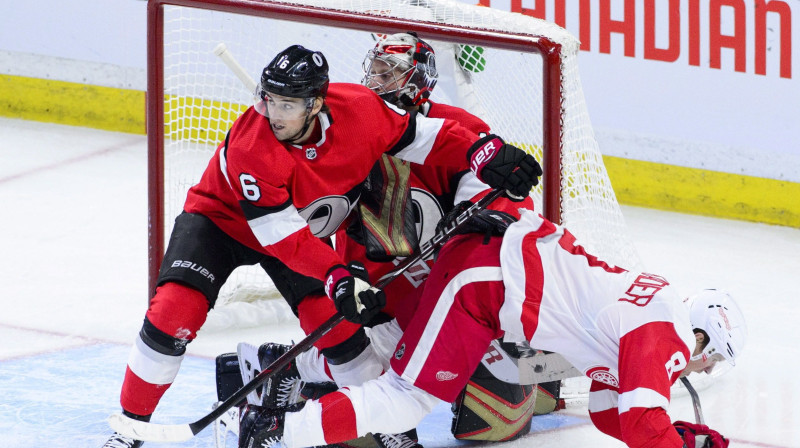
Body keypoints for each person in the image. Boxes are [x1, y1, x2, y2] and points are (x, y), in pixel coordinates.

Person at [102, 43, 541, 448]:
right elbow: (284, 238)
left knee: (346, 336)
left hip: (309, 237)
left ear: (316, 103)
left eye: (287, 104)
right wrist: (338, 277)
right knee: (174, 311)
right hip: (222, 224)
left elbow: (425, 138)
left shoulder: (361, 111)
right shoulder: (253, 146)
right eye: (269, 100)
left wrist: (483, 153)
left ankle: (388, 428)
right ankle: (129, 427)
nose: (273, 114)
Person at [230, 32, 540, 447]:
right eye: (373, 71)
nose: (375, 82)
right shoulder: (353, 127)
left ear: (419, 79)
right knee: (378, 371)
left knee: (496, 416)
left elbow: (491, 182)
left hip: (449, 277)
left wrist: (472, 212)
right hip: (386, 284)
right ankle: (286, 367)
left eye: (388, 73)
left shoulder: (453, 124)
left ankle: (537, 374)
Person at [236, 208, 747, 448]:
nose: (704, 369)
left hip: (490, 272)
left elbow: (610, 413)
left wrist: (684, 439)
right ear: (705, 338)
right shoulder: (669, 335)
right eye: (714, 359)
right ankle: (275, 432)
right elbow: (640, 424)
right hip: (488, 285)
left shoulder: (650, 311)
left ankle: (273, 372)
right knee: (405, 397)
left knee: (392, 353)